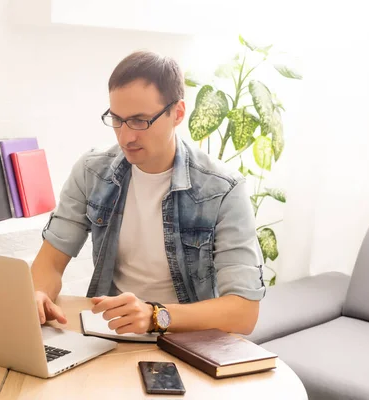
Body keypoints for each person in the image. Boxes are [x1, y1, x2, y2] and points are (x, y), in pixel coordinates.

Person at [31, 50, 265, 336]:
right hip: (110, 334)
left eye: (140, 121)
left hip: (187, 340)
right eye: (117, 119)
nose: (126, 136)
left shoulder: (223, 189)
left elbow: (243, 312)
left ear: (177, 113)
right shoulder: (93, 172)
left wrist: (156, 316)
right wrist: (38, 294)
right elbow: (50, 263)